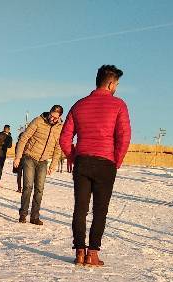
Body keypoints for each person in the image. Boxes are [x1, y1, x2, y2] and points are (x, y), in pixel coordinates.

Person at [59, 64, 131, 266]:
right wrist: (117, 159)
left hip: (83, 161)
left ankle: (79, 251)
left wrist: (73, 156)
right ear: (110, 83)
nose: (116, 87)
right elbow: (123, 137)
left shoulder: (79, 105)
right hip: (105, 163)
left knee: (80, 208)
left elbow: (64, 139)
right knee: (100, 210)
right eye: (116, 84)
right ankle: (93, 253)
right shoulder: (118, 105)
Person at [13, 104, 64, 225]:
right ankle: (23, 214)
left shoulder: (59, 128)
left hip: (43, 161)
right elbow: (24, 138)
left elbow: (58, 148)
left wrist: (53, 165)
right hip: (30, 157)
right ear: (50, 112)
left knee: (39, 189)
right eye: (51, 116)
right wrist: (18, 157)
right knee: (28, 186)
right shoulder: (38, 121)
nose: (52, 119)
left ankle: (35, 216)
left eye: (55, 118)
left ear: (60, 117)